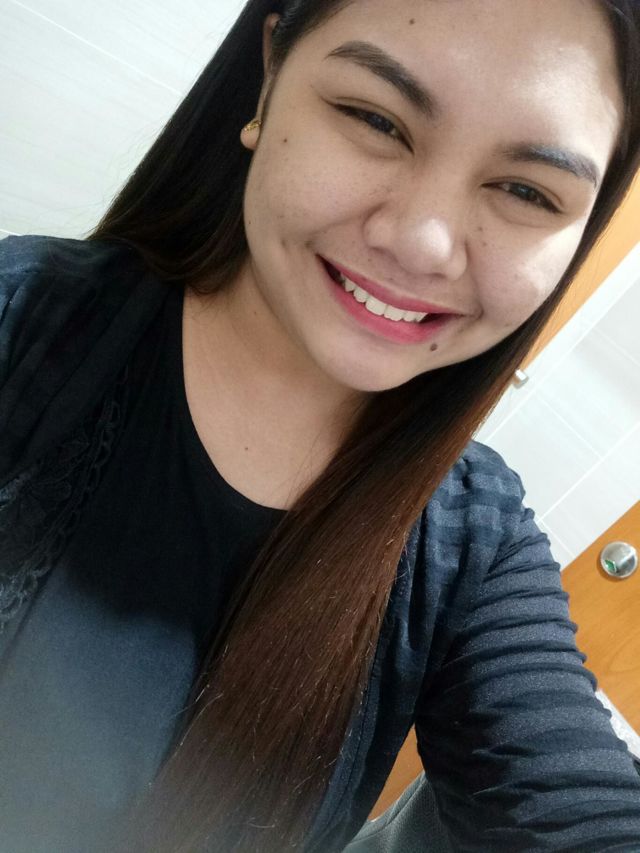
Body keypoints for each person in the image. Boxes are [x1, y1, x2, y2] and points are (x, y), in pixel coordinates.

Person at [1, 0, 639, 851]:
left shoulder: (474, 549)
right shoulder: (20, 322)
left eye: (527, 191)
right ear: (271, 73)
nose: (421, 242)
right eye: (376, 119)